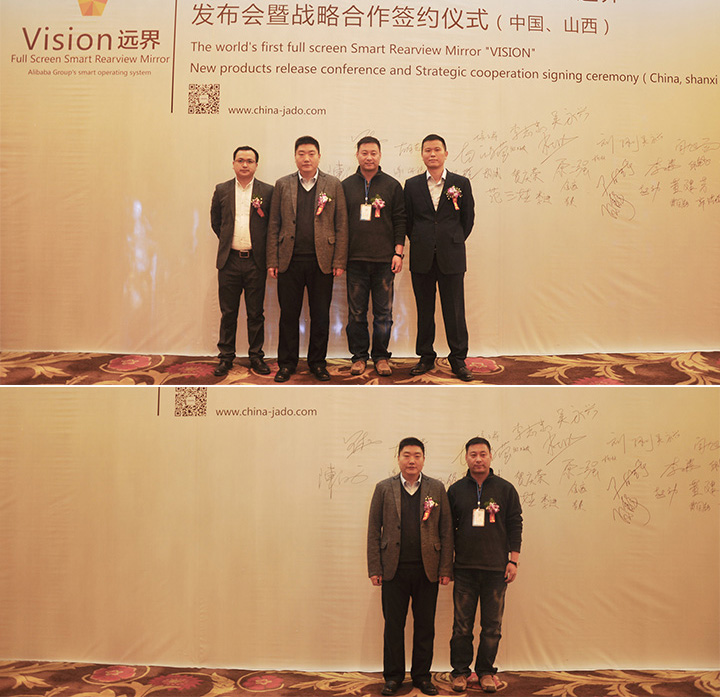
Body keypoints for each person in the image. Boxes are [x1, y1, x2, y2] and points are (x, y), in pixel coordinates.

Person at [367, 437, 454, 696]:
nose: (412, 460)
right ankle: (393, 677)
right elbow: (373, 530)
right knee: (393, 626)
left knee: (425, 626)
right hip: (393, 570)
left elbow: (446, 530)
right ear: (398, 458)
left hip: (427, 571)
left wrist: (445, 569)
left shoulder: (436, 488)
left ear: (424, 459)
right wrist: (375, 568)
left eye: (417, 455)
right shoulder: (383, 488)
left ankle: (422, 677)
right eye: (406, 455)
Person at [267, 136, 348, 382]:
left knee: (320, 315)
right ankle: (287, 363)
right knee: (288, 315)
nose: (306, 158)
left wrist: (339, 261)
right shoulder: (283, 184)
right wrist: (272, 260)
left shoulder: (333, 184)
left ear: (319, 157)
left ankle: (317, 363)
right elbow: (274, 224)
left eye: (311, 153)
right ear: (295, 157)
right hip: (289, 261)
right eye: (301, 153)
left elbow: (341, 225)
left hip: (322, 262)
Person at [447, 438, 523, 693]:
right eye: (473, 455)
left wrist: (513, 560)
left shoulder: (505, 489)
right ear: (466, 458)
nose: (478, 459)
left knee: (492, 627)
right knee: (461, 627)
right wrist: (447, 565)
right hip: (464, 569)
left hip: (496, 570)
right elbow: (447, 530)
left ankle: (486, 671)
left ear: (491, 456)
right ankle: (460, 672)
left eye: (482, 454)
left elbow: (515, 524)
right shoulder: (455, 490)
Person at [404, 134, 475, 381]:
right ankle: (426, 356)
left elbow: (467, 219)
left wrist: (452, 239)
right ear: (422, 154)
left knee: (454, 310)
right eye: (427, 150)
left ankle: (458, 359)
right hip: (422, 256)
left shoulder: (461, 183)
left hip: (451, 256)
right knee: (424, 310)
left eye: (436, 149)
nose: (432, 154)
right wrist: (423, 240)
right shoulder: (411, 185)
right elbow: (408, 220)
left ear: (445, 153)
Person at [342, 137, 406, 377]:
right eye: (364, 153)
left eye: (373, 153)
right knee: (356, 313)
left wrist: (398, 252)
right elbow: (340, 225)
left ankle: (380, 356)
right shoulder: (346, 186)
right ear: (357, 155)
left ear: (380, 155)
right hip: (355, 260)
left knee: (383, 315)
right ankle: (359, 357)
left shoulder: (392, 185)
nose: (369, 157)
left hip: (384, 261)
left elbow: (400, 220)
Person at [210, 146, 273, 376]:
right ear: (233, 163)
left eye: (249, 161)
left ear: (256, 165)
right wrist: (229, 242)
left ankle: (256, 356)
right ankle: (226, 357)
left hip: (255, 261)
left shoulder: (268, 191)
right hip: (229, 261)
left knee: (255, 313)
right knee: (228, 313)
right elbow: (216, 222)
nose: (244, 164)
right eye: (240, 160)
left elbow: (271, 225)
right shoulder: (222, 190)